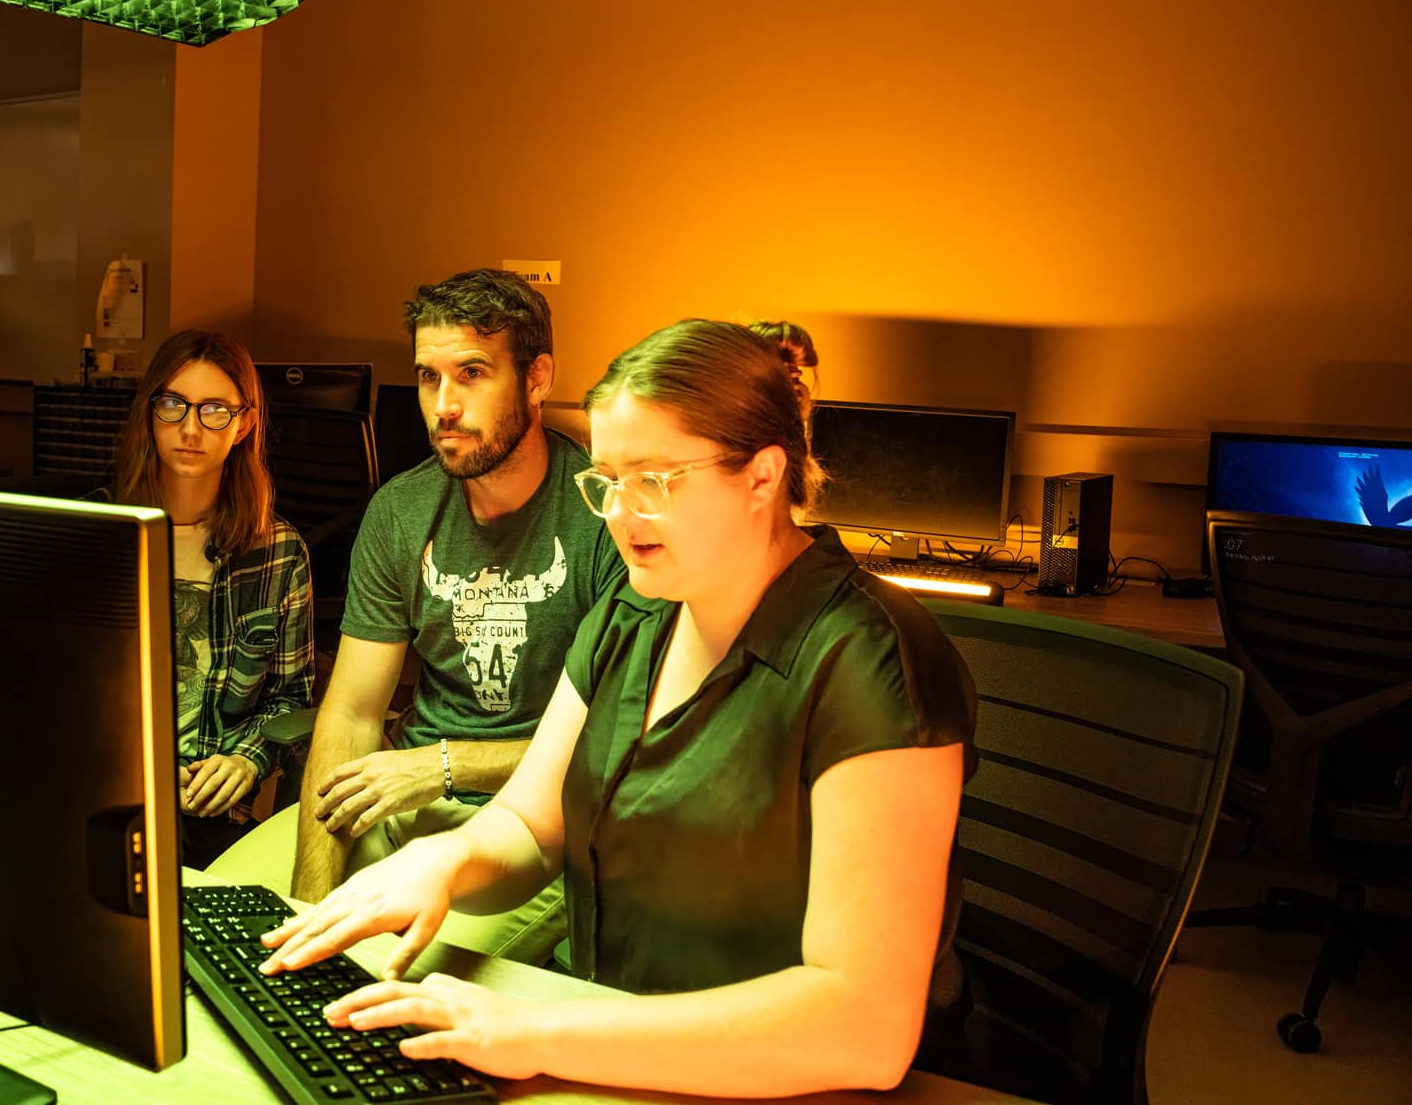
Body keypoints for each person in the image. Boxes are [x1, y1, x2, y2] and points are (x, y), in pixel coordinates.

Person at [259, 318, 977, 1097]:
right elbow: (532, 824)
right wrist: (443, 862)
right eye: (605, 481)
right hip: (617, 1042)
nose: (620, 514)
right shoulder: (635, 613)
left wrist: (531, 1032)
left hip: (792, 1081)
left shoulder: (872, 661)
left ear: (763, 477)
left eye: (654, 480)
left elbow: (861, 1026)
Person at [211, 269, 625, 964]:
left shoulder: (601, 519)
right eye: (429, 378)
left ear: (537, 376)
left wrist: (440, 765)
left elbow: (611, 753)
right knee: (222, 929)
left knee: (383, 977)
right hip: (395, 798)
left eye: (471, 373)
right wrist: (308, 904)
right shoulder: (401, 511)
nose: (445, 404)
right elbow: (349, 717)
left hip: (529, 826)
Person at [109, 329, 314, 868]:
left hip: (210, 808)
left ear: (243, 423)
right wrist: (139, 765)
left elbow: (292, 698)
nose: (190, 428)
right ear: (150, 412)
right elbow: (56, 696)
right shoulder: (103, 534)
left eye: (214, 410)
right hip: (116, 795)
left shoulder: (279, 552)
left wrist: (247, 762)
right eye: (173, 405)